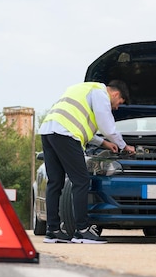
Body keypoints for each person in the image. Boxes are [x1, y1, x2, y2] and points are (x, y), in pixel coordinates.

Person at [39, 80, 136, 244]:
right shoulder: (100, 93)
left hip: (48, 131)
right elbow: (107, 126)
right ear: (116, 94)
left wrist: (104, 143)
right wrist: (124, 145)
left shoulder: (82, 89)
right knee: (81, 181)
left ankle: (53, 230)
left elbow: (80, 125)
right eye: (120, 103)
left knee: (54, 182)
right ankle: (82, 231)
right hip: (66, 135)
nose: (117, 107)